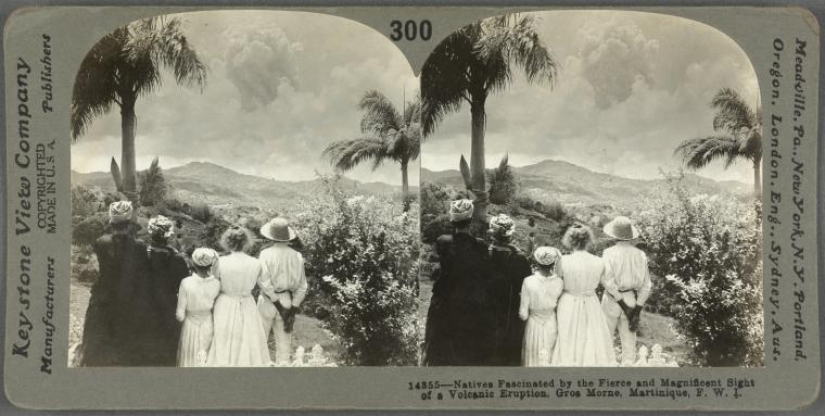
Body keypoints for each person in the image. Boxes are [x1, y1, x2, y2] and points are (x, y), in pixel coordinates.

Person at [80, 201, 150, 366]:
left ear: (112, 221)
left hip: (104, 295)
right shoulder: (139, 246)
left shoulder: (100, 242)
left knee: (99, 337)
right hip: (127, 297)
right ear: (129, 223)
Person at [423, 199, 491, 366]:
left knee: (441, 349)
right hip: (470, 302)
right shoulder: (481, 246)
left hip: (446, 301)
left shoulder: (443, 241)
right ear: (470, 220)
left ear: (453, 220)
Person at [207, 226, 275, 367]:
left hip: (225, 303)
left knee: (224, 338)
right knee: (247, 340)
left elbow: (212, 286)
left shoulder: (220, 262)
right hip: (247, 303)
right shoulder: (256, 263)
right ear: (245, 242)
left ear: (227, 241)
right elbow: (266, 286)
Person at [552, 224, 619, 366]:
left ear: (570, 240)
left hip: (568, 301)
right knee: (590, 336)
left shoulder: (563, 260)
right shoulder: (599, 261)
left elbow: (557, 285)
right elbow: (609, 284)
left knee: (567, 335)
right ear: (588, 240)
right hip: (590, 302)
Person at [600, 216, 652, 365]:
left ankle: (606, 373)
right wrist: (636, 310)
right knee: (629, 343)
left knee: (606, 339)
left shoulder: (608, 253)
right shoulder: (640, 254)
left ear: (614, 234)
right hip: (630, 298)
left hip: (611, 300)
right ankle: (628, 372)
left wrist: (624, 307)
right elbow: (646, 285)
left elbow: (607, 281)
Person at [257, 217, 308, 366]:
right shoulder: (296, 256)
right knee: (284, 346)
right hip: (287, 300)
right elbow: (302, 286)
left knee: (260, 341)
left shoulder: (265, 254)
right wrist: (291, 310)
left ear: (271, 236)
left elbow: (264, 282)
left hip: (267, 301)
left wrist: (278, 306)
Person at [145, 215, 190, 366]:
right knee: (167, 347)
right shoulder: (177, 259)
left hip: (145, 304)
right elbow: (184, 283)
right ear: (168, 236)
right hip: (168, 306)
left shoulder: (142, 254)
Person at [487, 214, 532, 366]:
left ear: (492, 234)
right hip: (510, 311)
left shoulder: (484, 254)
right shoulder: (519, 259)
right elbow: (527, 284)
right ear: (510, 236)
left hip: (486, 308)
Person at [519, 247, 564, 367]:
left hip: (534, 325)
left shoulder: (528, 281)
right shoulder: (560, 282)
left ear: (536, 263)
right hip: (551, 322)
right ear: (553, 264)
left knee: (533, 357)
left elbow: (523, 314)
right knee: (550, 355)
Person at [176, 248, 221, 367]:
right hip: (208, 323)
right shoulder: (216, 283)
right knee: (207, 357)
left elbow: (180, 315)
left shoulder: (186, 282)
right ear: (210, 265)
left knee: (189, 357)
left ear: (193, 264)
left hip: (190, 326)